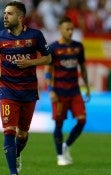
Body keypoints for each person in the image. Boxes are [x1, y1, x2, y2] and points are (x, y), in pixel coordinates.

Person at [0, 1, 51, 174]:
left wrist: (30, 62)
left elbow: (48, 58)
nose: (5, 16)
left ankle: (16, 153)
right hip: (7, 91)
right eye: (4, 13)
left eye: (9, 14)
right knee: (9, 132)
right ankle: (13, 172)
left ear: (20, 17)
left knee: (22, 134)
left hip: (28, 91)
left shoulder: (35, 36)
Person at [44, 16, 90, 166]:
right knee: (59, 125)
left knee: (82, 120)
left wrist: (87, 87)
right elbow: (48, 70)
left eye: (72, 29)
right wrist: (50, 90)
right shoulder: (53, 48)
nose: (70, 32)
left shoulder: (78, 47)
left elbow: (82, 68)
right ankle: (59, 156)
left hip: (75, 91)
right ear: (60, 30)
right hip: (59, 93)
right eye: (67, 29)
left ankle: (66, 145)